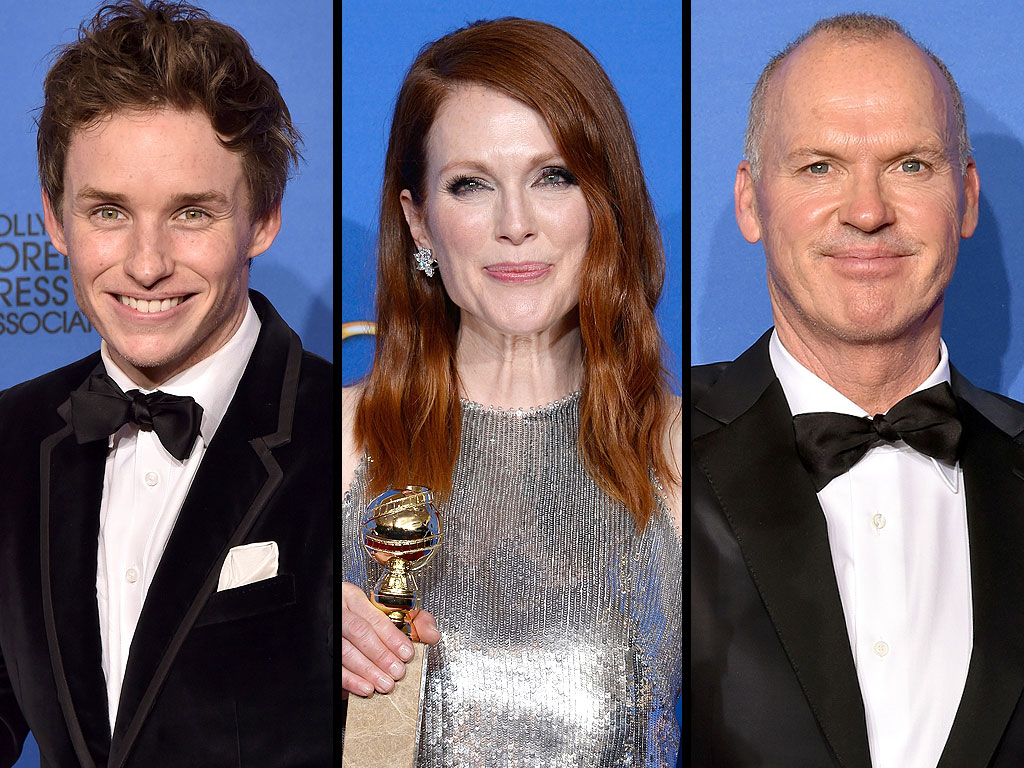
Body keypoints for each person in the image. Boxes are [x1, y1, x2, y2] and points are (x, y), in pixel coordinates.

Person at [340, 16, 683, 767]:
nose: (515, 224)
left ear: (605, 202)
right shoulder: (335, 445)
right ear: (418, 222)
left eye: (552, 177)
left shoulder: (685, 456)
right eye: (470, 185)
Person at [0, 2, 331, 766]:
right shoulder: (11, 437)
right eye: (108, 212)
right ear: (55, 220)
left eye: (191, 213)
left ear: (263, 218)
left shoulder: (341, 434)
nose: (146, 264)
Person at [692, 12, 1024, 768]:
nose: (868, 211)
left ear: (967, 197)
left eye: (911, 165)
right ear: (750, 201)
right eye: (820, 167)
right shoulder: (653, 453)